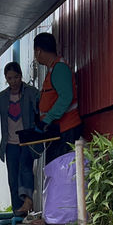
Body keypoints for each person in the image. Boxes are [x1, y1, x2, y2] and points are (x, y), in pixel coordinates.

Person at [0, 62, 40, 215]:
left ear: (21, 76)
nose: (13, 81)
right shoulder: (2, 97)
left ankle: (28, 201)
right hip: (9, 144)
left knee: (25, 169)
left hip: (27, 140)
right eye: (9, 78)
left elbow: (42, 108)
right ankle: (18, 210)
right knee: (12, 177)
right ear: (6, 79)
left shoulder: (31, 92)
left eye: (16, 77)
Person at [33, 32, 83, 165]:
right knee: (55, 169)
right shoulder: (53, 69)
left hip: (66, 129)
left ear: (38, 51)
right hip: (57, 130)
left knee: (60, 171)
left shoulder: (59, 68)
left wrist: (46, 120)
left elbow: (66, 98)